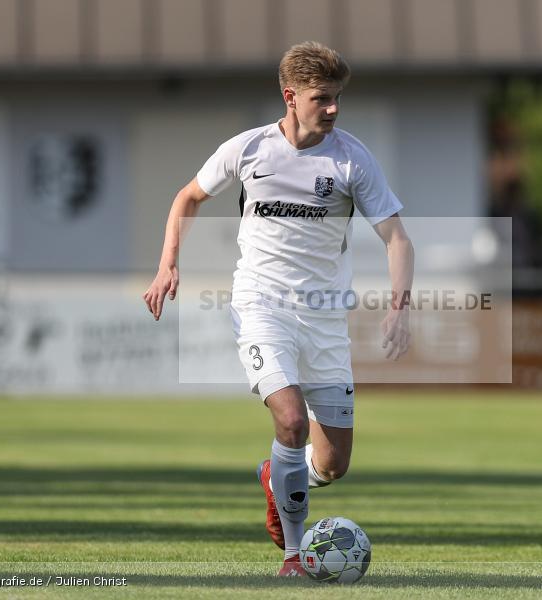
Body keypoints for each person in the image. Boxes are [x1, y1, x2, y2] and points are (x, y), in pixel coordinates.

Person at [143, 41, 414, 576]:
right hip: (260, 306)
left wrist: (399, 306)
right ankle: (293, 555)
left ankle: (278, 476)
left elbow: (397, 238)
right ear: (290, 97)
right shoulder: (249, 149)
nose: (333, 108)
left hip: (325, 320)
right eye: (321, 98)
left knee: (332, 464)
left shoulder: (351, 159)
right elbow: (188, 197)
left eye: (337, 98)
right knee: (290, 420)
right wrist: (167, 262)